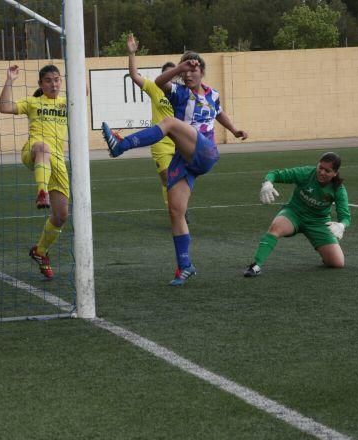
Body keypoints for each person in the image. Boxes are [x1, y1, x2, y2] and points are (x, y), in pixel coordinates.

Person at [100, 51, 248, 286]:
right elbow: (159, 83)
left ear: (202, 72)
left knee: (168, 123)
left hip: (206, 150)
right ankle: (185, 265)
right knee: (176, 211)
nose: (189, 74)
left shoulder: (213, 94)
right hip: (185, 158)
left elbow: (219, 113)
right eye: (185, 70)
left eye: (193, 69)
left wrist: (234, 129)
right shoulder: (179, 93)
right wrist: (178, 68)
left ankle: (121, 146)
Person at [0, 64, 69, 279]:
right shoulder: (33, 102)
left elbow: (84, 89)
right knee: (42, 147)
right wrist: (10, 80)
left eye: (57, 79)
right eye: (48, 80)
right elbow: (4, 107)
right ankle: (42, 192)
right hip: (34, 152)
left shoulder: (67, 103)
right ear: (40, 84)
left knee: (60, 216)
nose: (53, 84)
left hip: (57, 163)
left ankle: (40, 252)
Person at [243, 152, 350, 277]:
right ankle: (256, 265)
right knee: (275, 228)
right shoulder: (305, 173)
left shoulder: (338, 190)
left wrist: (342, 225)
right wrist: (268, 183)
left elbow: (345, 217)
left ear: (335, 173)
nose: (322, 172)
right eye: (320, 167)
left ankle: (326, 254)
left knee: (337, 263)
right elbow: (275, 174)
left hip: (318, 222)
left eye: (327, 171)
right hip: (294, 213)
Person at [125, 32, 176, 209]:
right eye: (166, 75)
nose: (170, 78)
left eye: (173, 74)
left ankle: (177, 207)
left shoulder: (184, 92)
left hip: (180, 142)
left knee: (179, 180)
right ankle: (175, 210)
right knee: (167, 177)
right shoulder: (155, 88)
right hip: (161, 142)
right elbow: (134, 76)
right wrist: (132, 53)